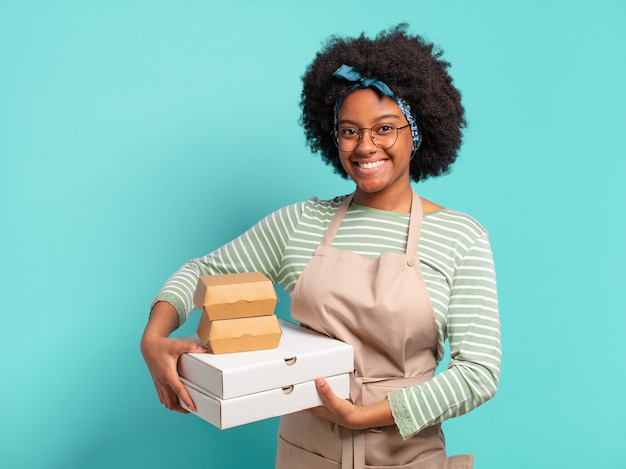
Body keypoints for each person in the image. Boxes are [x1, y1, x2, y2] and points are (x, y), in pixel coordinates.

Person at [140, 23, 501, 469]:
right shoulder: (300, 224)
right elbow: (200, 273)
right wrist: (153, 339)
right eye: (349, 131)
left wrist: (363, 416)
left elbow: (478, 374)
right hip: (304, 456)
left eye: (384, 128)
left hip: (407, 458)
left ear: (418, 130)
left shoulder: (460, 236)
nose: (365, 146)